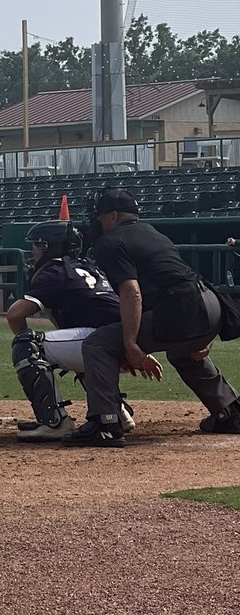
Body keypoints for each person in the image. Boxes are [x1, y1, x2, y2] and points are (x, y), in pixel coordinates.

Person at [64, 187, 240, 448]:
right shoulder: (152, 232)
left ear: (113, 216)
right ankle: (230, 411)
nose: (96, 222)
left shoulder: (110, 241)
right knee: (183, 352)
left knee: (98, 343)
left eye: (99, 216)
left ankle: (106, 422)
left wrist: (131, 344)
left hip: (185, 309)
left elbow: (131, 292)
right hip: (210, 303)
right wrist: (204, 332)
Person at [5, 219, 150, 442]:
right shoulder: (89, 267)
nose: (34, 251)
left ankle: (55, 422)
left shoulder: (55, 270)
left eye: (38, 245)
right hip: (128, 340)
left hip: (106, 342)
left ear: (52, 247)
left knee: (28, 344)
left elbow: (15, 315)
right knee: (76, 345)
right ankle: (116, 411)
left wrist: (29, 353)